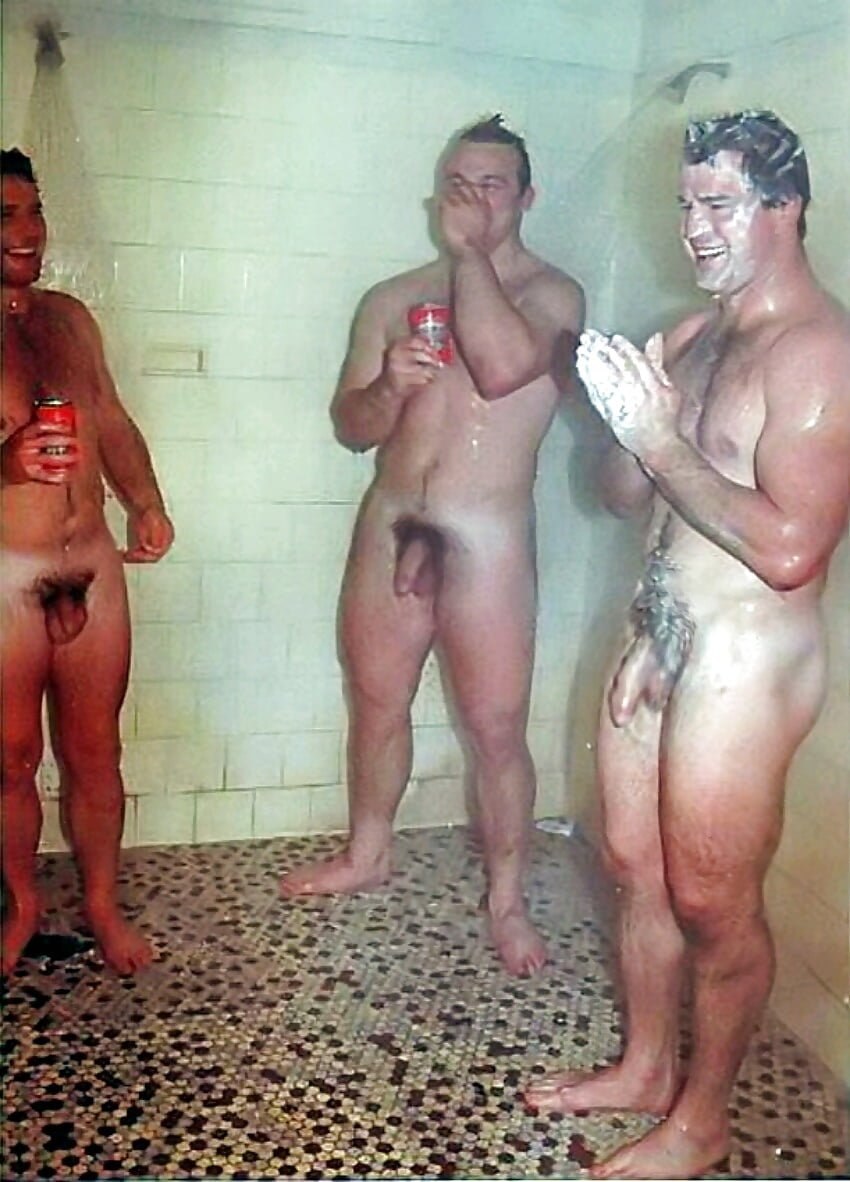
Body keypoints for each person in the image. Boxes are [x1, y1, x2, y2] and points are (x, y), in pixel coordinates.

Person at [524, 110, 850, 1177]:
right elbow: (627, 499)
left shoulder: (819, 353)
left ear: (785, 207)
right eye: (685, 203)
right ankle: (645, 1068)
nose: (693, 226)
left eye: (719, 204)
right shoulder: (698, 334)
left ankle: (702, 1123)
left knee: (712, 903)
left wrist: (661, 439)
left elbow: (791, 550)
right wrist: (623, 423)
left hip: (746, 664)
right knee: (632, 867)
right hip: (657, 640)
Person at [281, 115, 585, 976]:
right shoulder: (391, 299)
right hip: (393, 522)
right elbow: (351, 426)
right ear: (435, 195)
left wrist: (468, 258)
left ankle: (508, 901)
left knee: (496, 728)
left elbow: (501, 368)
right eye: (458, 184)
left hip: (487, 538)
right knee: (377, 699)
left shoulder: (555, 297)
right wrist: (388, 387)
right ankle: (368, 851)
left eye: (491, 186)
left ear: (526, 198)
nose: (473, 200)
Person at [1, 148, 174, 976]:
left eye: (34, 211)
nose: (28, 230)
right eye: (6, 216)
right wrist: (7, 463)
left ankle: (102, 905)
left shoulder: (69, 319)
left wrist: (147, 500)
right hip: (7, 573)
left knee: (97, 752)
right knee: (10, 761)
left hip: (92, 567)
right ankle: (23, 905)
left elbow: (110, 419)